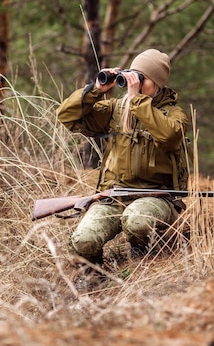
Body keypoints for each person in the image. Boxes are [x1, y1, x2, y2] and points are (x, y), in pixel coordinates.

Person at [57, 49, 189, 263]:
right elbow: (66, 116)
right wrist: (96, 90)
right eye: (132, 76)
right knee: (83, 240)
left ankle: (142, 255)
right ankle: (92, 275)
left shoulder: (174, 114)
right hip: (113, 196)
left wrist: (137, 100)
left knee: (137, 221)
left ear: (157, 83)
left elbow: (169, 136)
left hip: (154, 197)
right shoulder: (115, 110)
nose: (132, 84)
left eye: (140, 79)